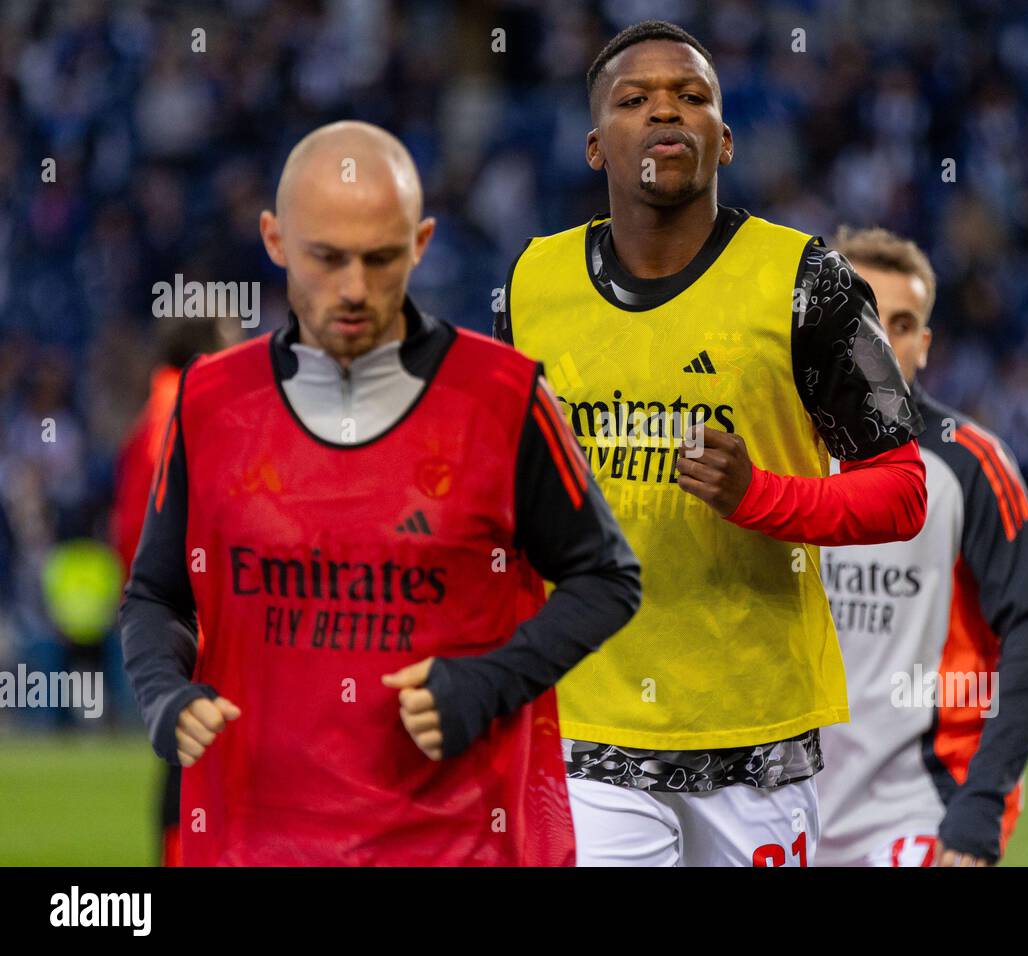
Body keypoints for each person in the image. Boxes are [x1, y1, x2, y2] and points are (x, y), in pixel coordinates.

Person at [119, 120, 641, 865]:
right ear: (274, 240)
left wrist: (489, 682)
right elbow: (156, 595)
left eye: (382, 257)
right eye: (326, 259)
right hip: (254, 846)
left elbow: (608, 577)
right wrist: (163, 691)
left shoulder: (504, 399)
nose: (355, 289)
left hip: (454, 846)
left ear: (422, 242)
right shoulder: (209, 401)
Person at [498, 22, 927, 866]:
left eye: (692, 97)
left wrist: (759, 496)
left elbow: (903, 489)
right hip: (588, 735)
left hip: (759, 742)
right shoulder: (529, 284)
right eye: (635, 99)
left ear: (723, 140)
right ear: (594, 146)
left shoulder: (809, 283)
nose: (667, 110)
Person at [816, 227, 1028, 867]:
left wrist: (981, 803)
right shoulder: (778, 455)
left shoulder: (972, 465)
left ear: (923, 345)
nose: (879, 342)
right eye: (861, 318)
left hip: (919, 808)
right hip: (787, 807)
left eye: (900, 325)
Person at [111, 314, 237, 867]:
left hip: (163, 605)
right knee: (196, 753)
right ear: (207, 347)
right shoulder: (184, 408)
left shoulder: (156, 410)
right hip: (193, 609)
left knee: (183, 752)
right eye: (229, 339)